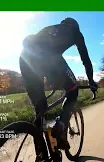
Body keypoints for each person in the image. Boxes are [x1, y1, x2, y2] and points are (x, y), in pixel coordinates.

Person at [19, 17, 97, 152]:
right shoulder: (75, 32)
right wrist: (91, 80)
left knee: (40, 108)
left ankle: (41, 154)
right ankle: (61, 127)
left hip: (25, 59)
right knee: (73, 89)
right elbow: (85, 59)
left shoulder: (50, 28)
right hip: (49, 58)